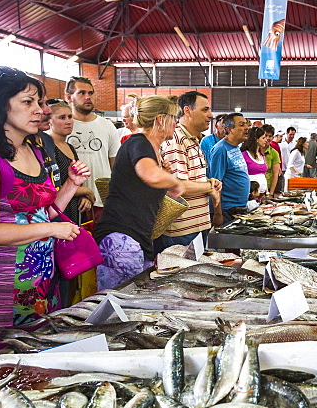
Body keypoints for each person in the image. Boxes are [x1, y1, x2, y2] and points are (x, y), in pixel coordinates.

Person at [0, 67, 89, 349]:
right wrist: (52, 229)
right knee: (15, 355)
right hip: (10, 281)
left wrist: (70, 185)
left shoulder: (34, 149)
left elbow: (45, 212)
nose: (40, 110)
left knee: (45, 348)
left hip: (44, 277)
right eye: (28, 101)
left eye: (41, 102)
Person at [94, 96, 184, 289]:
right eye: (174, 118)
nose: (176, 123)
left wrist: (166, 176)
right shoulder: (139, 142)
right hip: (121, 239)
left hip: (138, 238)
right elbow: (149, 175)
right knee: (117, 303)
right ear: (160, 119)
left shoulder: (152, 149)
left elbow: (146, 185)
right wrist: (172, 180)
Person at [156, 91, 222, 254]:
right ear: (187, 111)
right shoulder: (176, 141)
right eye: (205, 110)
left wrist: (209, 181)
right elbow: (177, 186)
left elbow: (190, 178)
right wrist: (208, 187)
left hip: (195, 226)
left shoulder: (192, 140)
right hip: (181, 230)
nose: (210, 115)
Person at [65, 76, 121, 209]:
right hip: (70, 200)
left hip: (102, 201)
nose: (88, 97)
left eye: (90, 93)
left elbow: (116, 165)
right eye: (82, 93)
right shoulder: (63, 126)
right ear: (69, 97)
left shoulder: (107, 126)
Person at [38, 100, 96, 224]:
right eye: (62, 118)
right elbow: (53, 187)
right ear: (49, 121)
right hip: (57, 212)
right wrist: (87, 191)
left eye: (70, 117)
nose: (68, 121)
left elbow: (75, 180)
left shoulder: (70, 147)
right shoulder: (47, 147)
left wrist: (83, 196)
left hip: (75, 210)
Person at [207, 112, 252, 223]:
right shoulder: (221, 150)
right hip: (226, 210)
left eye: (246, 124)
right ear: (229, 129)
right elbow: (215, 185)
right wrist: (218, 214)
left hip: (238, 208)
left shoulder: (235, 147)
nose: (246, 128)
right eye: (241, 125)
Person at [241, 126, 270, 195]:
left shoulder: (262, 155)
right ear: (256, 139)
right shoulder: (244, 155)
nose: (266, 140)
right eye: (263, 138)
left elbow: (263, 175)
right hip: (250, 194)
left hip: (262, 194)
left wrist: (267, 191)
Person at [261, 125, 282, 196]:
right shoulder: (253, 151)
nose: (267, 138)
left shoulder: (274, 153)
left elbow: (275, 174)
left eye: (270, 136)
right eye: (265, 136)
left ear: (273, 137)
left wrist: (271, 193)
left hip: (269, 187)